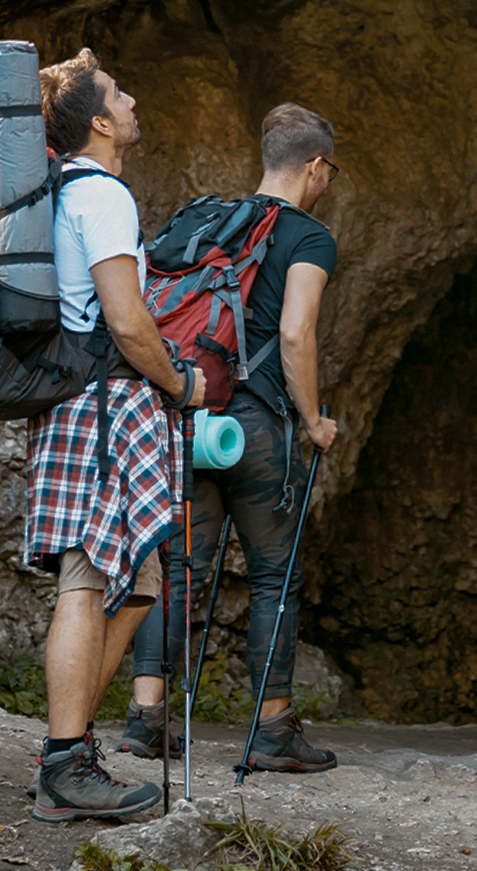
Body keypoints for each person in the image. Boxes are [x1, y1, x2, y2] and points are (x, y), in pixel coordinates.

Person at [119, 102, 342, 773]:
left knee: (180, 571)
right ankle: (272, 729)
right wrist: (313, 421)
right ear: (316, 167)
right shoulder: (308, 236)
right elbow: (297, 331)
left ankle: (147, 719)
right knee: (276, 574)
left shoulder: (211, 221)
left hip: (188, 411)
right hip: (253, 425)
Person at [24, 48, 206, 823]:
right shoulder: (101, 195)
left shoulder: (66, 191)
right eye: (120, 94)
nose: (133, 101)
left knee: (139, 580)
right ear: (99, 121)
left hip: (88, 399)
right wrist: (181, 381)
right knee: (90, 578)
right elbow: (128, 321)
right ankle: (65, 765)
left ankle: (69, 754)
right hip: (104, 400)